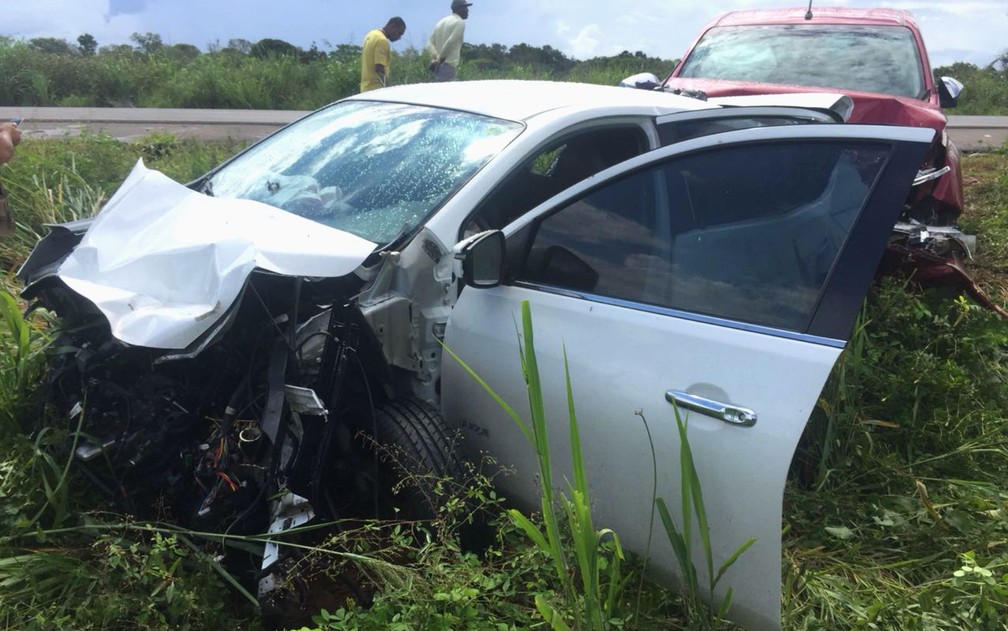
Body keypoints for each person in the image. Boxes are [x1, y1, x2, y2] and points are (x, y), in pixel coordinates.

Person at [426, 0, 472, 82]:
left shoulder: (441, 22)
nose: (467, 10)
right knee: (445, 93)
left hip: (436, 67)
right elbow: (450, 42)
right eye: (465, 7)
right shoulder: (460, 22)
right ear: (459, 8)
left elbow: (429, 43)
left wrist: (435, 57)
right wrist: (440, 59)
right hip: (448, 65)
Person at [360, 17, 406, 93]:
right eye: (399, 33)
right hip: (376, 90)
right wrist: (389, 88)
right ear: (393, 26)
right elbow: (379, 68)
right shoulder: (382, 41)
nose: (399, 37)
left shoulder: (371, 34)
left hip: (365, 88)